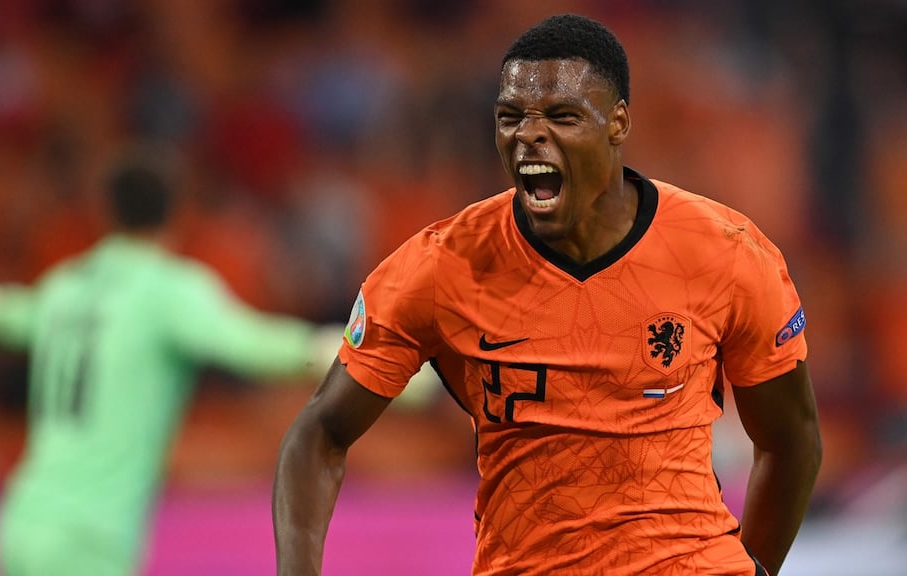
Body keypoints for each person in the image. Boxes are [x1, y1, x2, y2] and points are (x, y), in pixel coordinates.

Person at [272, 13, 822, 576]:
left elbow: (792, 438)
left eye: (562, 116)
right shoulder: (440, 267)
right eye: (510, 117)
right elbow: (320, 432)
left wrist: (754, 568)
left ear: (618, 123)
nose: (528, 134)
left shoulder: (723, 252)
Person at [0, 152, 337, 576]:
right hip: (89, 538)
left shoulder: (65, 285)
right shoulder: (166, 290)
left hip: (20, 523)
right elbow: (254, 345)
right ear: (177, 213)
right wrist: (348, 354)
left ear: (105, 212)